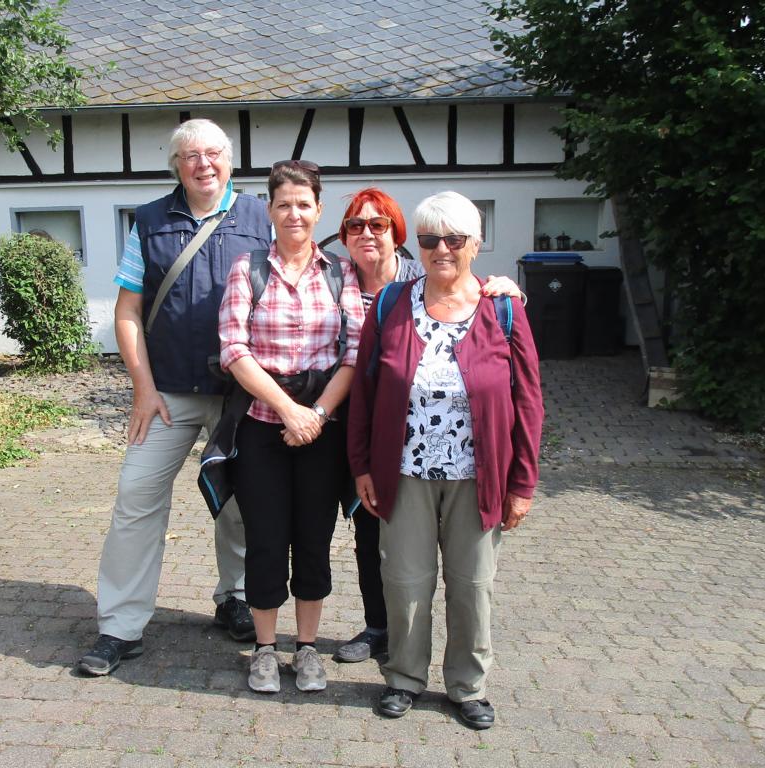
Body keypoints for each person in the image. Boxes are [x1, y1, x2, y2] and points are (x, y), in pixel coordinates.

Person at [78, 119, 268, 677]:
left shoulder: (262, 217)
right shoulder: (150, 221)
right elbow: (127, 311)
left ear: (230, 160)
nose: (203, 164)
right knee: (136, 496)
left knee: (242, 502)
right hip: (167, 393)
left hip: (242, 394)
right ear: (176, 166)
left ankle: (236, 597)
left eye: (213, 153)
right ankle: (120, 625)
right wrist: (142, 389)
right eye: (190, 156)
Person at [347, 191, 543, 729]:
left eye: (454, 239)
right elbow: (365, 392)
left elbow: (529, 402)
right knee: (405, 581)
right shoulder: (390, 305)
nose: (442, 250)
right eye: (430, 239)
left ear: (475, 244)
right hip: (403, 472)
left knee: (472, 584)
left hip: (478, 476)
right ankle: (404, 677)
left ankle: (467, 686)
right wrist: (361, 465)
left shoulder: (503, 309)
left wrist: (522, 483)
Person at [217, 160, 365, 693]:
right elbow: (234, 349)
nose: (294, 213)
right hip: (263, 426)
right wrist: (288, 410)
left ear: (318, 209)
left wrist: (317, 414)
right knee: (265, 538)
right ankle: (263, 649)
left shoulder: (340, 271)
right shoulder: (248, 268)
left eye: (304, 204)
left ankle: (305, 648)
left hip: (322, 430)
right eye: (284, 204)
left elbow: (354, 353)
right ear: (270, 210)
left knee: (313, 540)